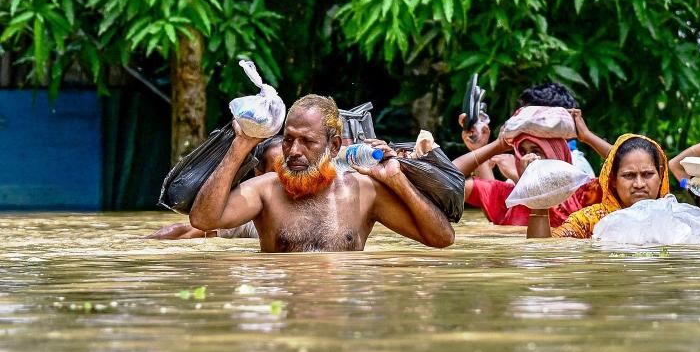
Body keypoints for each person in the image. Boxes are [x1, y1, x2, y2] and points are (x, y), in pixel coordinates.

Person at [188, 94, 455, 252]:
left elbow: (442, 239)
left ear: (334, 145)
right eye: (288, 139)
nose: (293, 150)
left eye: (307, 141)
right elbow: (202, 220)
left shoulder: (363, 192)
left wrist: (396, 180)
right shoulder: (266, 190)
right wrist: (240, 146)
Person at [454, 85, 612, 226]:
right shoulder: (507, 196)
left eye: (537, 151)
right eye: (521, 152)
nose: (527, 158)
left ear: (558, 153)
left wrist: (587, 136)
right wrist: (495, 146)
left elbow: (630, 166)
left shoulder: (583, 194)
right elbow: (444, 179)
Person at [527, 134, 700, 238]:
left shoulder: (676, 217)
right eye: (629, 175)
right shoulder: (590, 220)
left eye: (647, 174)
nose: (639, 184)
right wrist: (539, 206)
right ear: (612, 180)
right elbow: (544, 252)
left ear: (661, 176)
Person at [148, 136, 284, 240]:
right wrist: (141, 243)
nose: (286, 178)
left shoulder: (305, 205)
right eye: (277, 172)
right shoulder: (251, 215)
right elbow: (187, 231)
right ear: (259, 174)